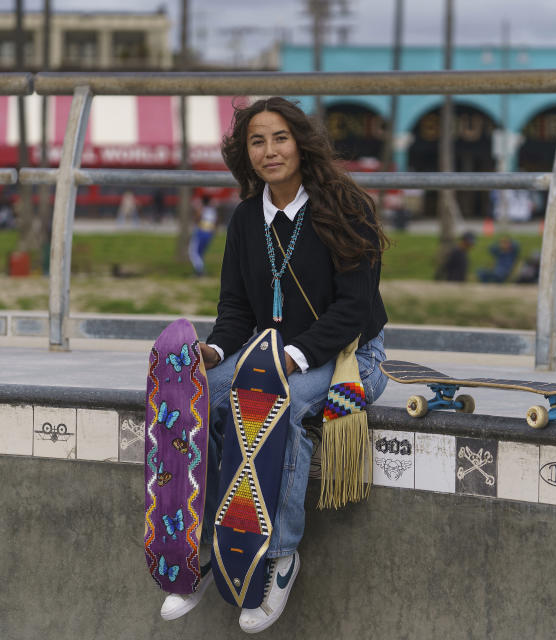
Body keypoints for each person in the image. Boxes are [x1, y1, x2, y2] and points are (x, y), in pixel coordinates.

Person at [159, 97, 389, 632]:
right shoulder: (246, 218)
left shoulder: (346, 206)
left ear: (300, 142)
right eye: (257, 141)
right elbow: (236, 309)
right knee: (192, 398)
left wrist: (293, 356)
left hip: (351, 354)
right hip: (266, 353)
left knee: (274, 407)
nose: (270, 150)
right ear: (246, 154)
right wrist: (214, 352)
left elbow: (354, 310)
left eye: (280, 137)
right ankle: (204, 548)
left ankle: (278, 558)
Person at [188, 195, 218, 276]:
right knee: (200, 253)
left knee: (193, 252)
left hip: (201, 232)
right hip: (209, 233)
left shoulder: (202, 209)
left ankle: (200, 271)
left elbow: (196, 219)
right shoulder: (212, 211)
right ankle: (200, 270)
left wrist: (197, 209)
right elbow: (215, 224)